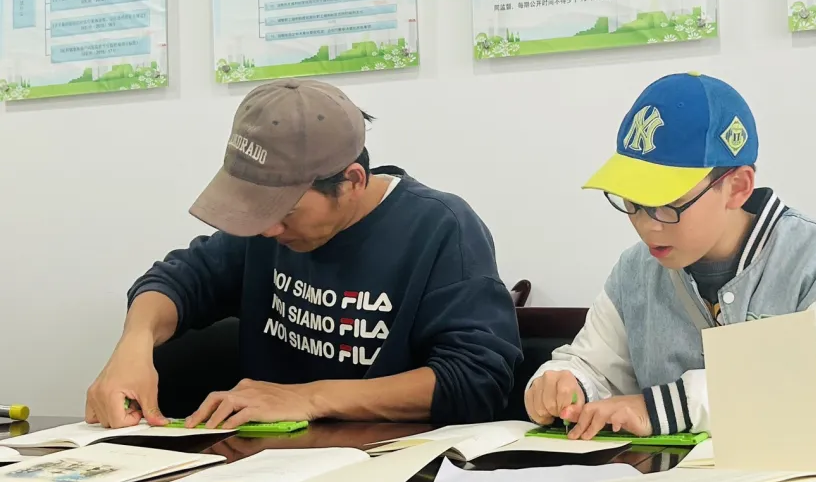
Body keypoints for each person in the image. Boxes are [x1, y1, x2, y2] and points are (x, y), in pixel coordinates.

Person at [86, 79, 522, 430]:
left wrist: (309, 397)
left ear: (351, 180)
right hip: (265, 476)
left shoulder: (441, 228)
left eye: (285, 212)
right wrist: (134, 344)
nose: (268, 229)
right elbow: (177, 281)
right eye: (257, 211)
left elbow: (476, 380)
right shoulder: (263, 230)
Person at [524, 72, 816, 440]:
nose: (647, 225)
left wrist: (671, 408)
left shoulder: (812, 259)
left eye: (667, 204)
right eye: (633, 202)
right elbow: (596, 366)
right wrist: (566, 384)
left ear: (736, 187)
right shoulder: (635, 271)